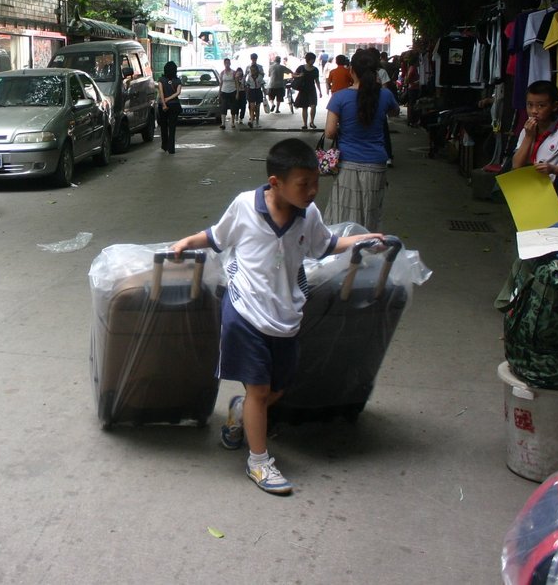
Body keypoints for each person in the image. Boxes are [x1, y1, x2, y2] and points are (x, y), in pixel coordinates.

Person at [170, 138, 385, 495]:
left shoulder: (309, 214)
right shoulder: (244, 206)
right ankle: (258, 462)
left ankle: (240, 414)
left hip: (285, 313)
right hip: (245, 310)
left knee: (278, 388)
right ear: (275, 183)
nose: (313, 191)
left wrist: (363, 241)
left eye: (316, 182)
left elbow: (326, 245)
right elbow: (216, 236)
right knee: (259, 389)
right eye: (304, 184)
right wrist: (185, 243)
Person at [323, 49, 401, 230]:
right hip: (376, 164)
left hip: (347, 163)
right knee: (370, 214)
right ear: (376, 71)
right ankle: (366, 250)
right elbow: (395, 112)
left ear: (352, 70)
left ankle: (344, 254)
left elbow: (329, 132)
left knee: (343, 215)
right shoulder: (385, 95)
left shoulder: (339, 97)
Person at [510, 80, 558, 191]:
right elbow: (516, 166)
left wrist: (554, 169)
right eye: (530, 105)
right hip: (527, 192)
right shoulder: (527, 131)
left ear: (555, 106)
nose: (534, 111)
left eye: (541, 106)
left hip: (555, 196)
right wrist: (528, 137)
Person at [157, 61, 183, 154]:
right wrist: (169, 99)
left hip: (163, 106)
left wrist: (164, 104)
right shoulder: (178, 80)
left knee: (163, 126)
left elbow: (161, 92)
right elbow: (178, 92)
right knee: (172, 127)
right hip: (174, 105)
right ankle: (171, 148)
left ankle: (164, 146)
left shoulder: (161, 80)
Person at [292, 52, 323, 129]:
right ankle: (305, 124)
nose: (313, 61)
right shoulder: (301, 68)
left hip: (312, 89)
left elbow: (317, 81)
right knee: (304, 107)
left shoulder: (315, 70)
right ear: (307, 59)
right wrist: (299, 75)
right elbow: (293, 75)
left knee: (313, 106)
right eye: (312, 59)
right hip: (303, 89)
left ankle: (312, 122)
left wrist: (320, 91)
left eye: (314, 60)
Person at [217, 57, 238, 129]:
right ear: (224, 64)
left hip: (232, 91)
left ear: (230, 63)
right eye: (225, 63)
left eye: (228, 63)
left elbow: (237, 83)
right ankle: (223, 123)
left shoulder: (234, 72)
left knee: (233, 107)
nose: (227, 64)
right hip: (224, 91)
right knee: (223, 107)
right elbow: (221, 83)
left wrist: (237, 93)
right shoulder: (222, 73)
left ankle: (232, 122)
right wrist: (219, 92)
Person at [245, 53, 265, 126]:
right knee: (251, 106)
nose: (254, 59)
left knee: (257, 107)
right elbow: (245, 76)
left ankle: (257, 121)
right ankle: (252, 120)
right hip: (251, 89)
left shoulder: (260, 67)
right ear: (251, 58)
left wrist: (258, 73)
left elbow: (262, 76)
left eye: (255, 58)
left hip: (258, 90)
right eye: (253, 58)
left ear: (256, 58)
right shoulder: (248, 67)